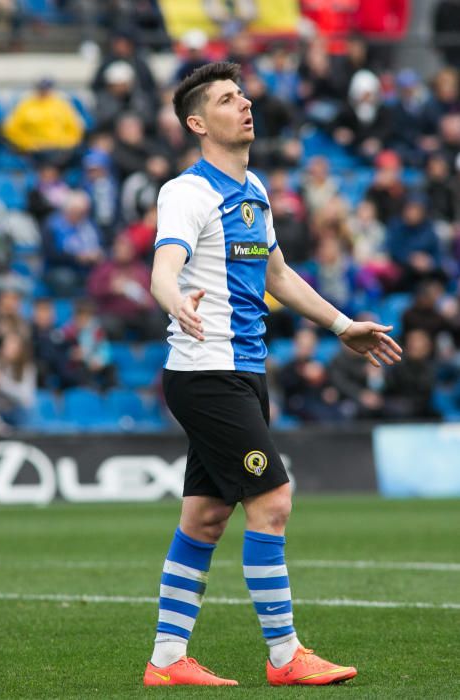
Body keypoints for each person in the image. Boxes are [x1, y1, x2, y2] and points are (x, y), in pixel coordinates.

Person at [145, 62, 402, 688]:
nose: (246, 104)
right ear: (198, 122)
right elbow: (163, 266)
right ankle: (286, 656)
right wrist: (174, 299)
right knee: (274, 500)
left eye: (246, 95)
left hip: (242, 371)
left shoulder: (254, 189)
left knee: (205, 519)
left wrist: (344, 327)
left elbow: (277, 276)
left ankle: (166, 660)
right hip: (207, 370)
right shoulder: (186, 192)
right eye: (229, 99)